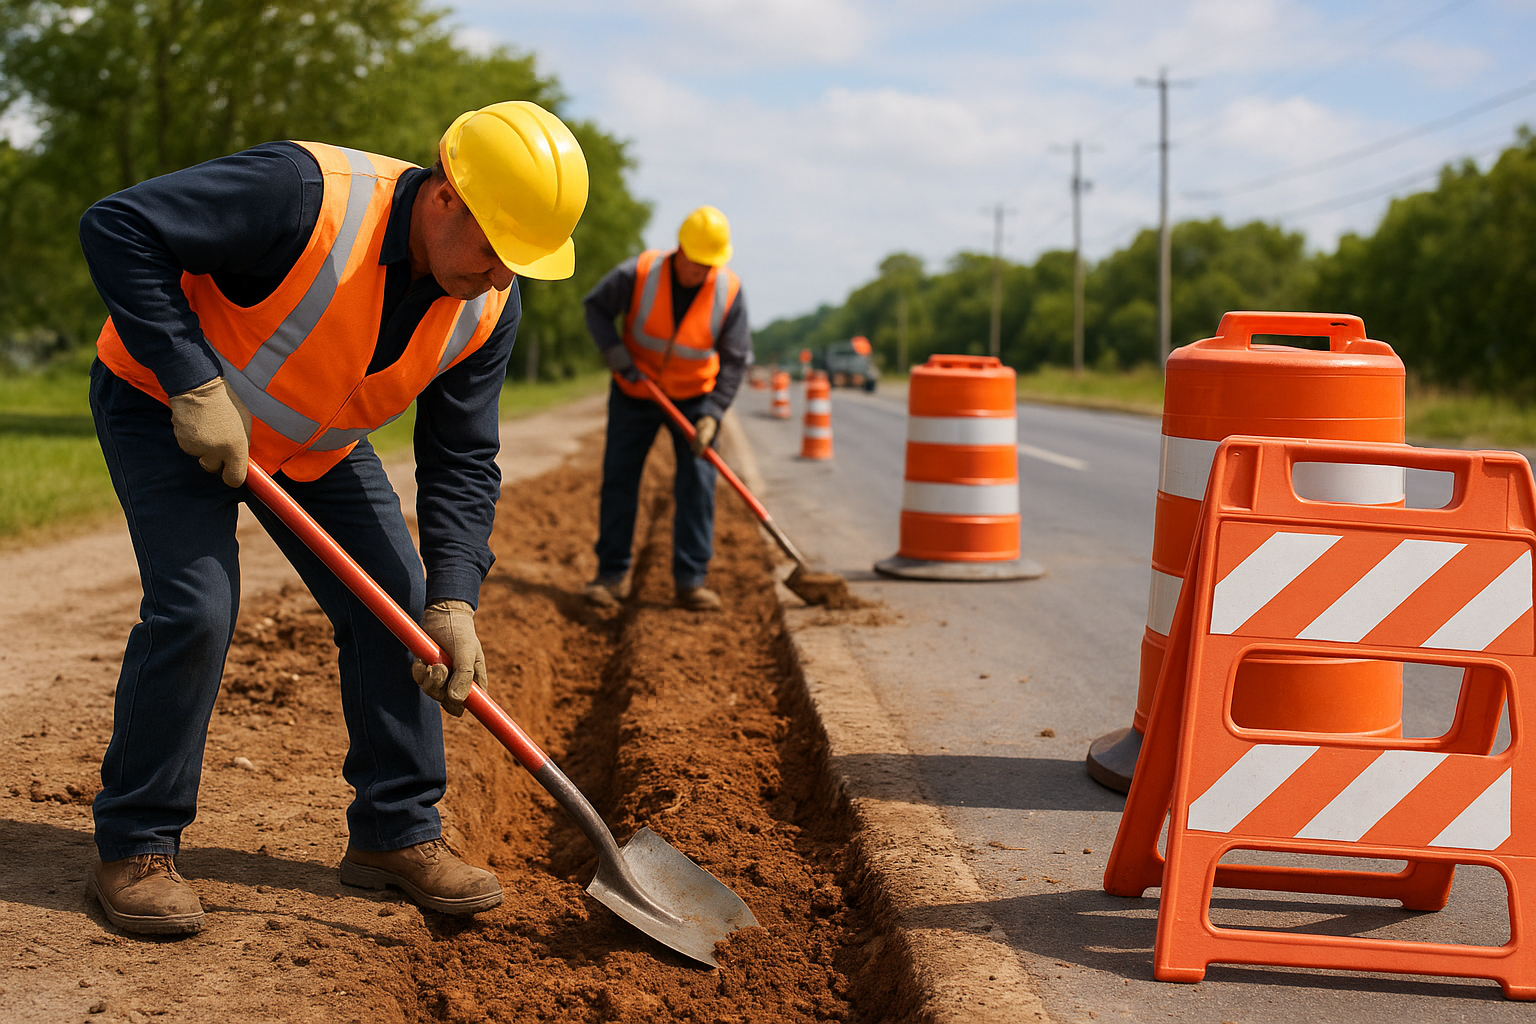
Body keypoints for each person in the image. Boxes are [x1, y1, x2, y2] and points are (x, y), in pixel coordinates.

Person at [78, 101, 588, 935]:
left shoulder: (491, 308)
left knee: (400, 606)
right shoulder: (304, 193)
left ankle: (396, 834)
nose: (502, 276)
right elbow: (119, 226)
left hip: (314, 444)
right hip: (166, 407)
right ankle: (135, 843)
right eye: (498, 249)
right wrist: (190, 378)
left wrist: (455, 597)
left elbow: (461, 458)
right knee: (196, 609)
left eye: (520, 263)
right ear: (446, 195)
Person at [581, 206, 753, 611]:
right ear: (680, 250)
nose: (702, 271)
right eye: (696, 263)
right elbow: (596, 308)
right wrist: (617, 356)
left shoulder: (728, 290)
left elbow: (736, 358)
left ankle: (691, 581)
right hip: (635, 390)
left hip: (695, 398)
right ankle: (611, 576)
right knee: (620, 479)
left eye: (710, 264)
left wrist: (713, 412)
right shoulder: (639, 273)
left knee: (698, 482)